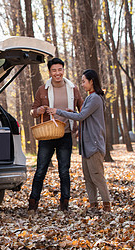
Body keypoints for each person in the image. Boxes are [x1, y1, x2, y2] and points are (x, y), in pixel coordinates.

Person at [47, 69, 111, 212]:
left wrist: (58, 111)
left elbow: (81, 116)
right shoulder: (90, 97)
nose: (82, 84)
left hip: (94, 145)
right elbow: (84, 115)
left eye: (84, 81)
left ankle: (107, 205)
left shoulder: (95, 98)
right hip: (86, 145)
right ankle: (93, 205)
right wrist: (73, 113)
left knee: (97, 176)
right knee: (88, 178)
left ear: (91, 81)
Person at [29, 58, 84, 212]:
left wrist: (74, 117)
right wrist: (38, 111)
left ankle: (65, 204)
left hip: (65, 134)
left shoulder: (73, 89)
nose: (57, 73)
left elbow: (83, 110)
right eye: (54, 70)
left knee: (64, 171)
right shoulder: (42, 90)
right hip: (47, 136)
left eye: (60, 69)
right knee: (40, 170)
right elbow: (32, 111)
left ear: (63, 70)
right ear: (50, 72)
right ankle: (33, 203)